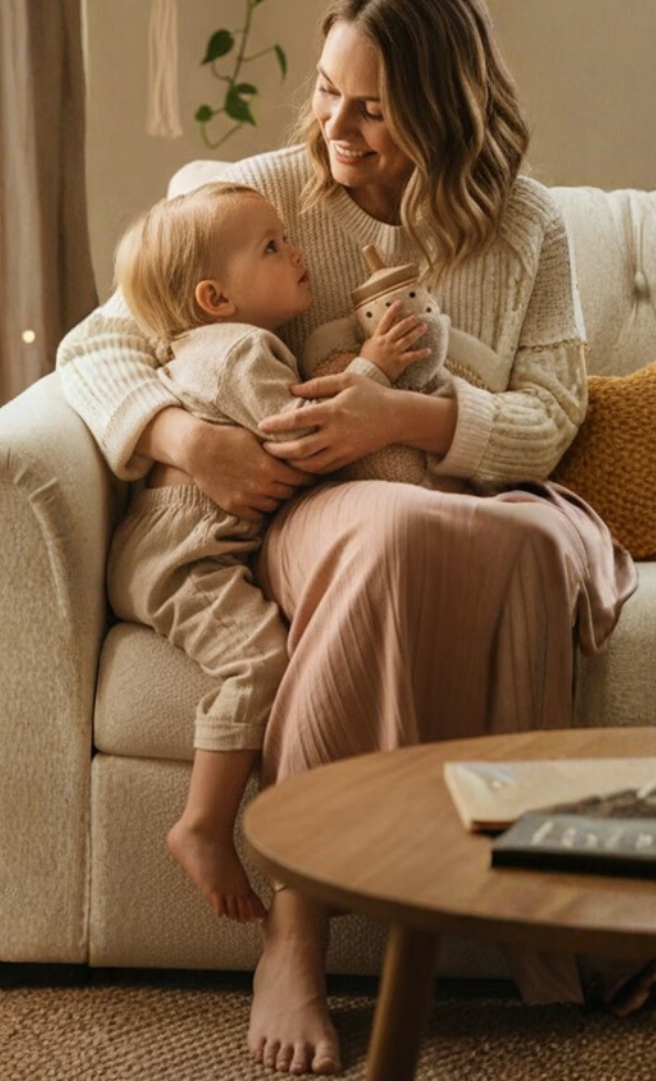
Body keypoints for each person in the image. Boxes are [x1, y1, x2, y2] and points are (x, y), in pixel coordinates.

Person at [58, 0, 639, 1075]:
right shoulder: (260, 191)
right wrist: (192, 442)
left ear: (445, 104)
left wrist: (407, 416)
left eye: (374, 107)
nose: (340, 126)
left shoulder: (527, 229)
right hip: (323, 510)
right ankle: (296, 930)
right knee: (390, 532)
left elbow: (552, 415)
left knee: (520, 543)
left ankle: (537, 907)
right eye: (329, 91)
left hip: (473, 495)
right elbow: (102, 344)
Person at [107, 181, 433, 925]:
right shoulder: (239, 351)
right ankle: (202, 825)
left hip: (181, 546)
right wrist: (374, 370)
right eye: (273, 248)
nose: (297, 253)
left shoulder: (217, 349)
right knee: (259, 661)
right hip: (179, 555)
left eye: (286, 238)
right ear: (215, 298)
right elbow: (307, 437)